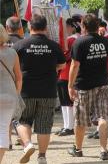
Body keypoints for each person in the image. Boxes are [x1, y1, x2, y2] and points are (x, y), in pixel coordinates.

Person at [13, 14, 66, 164]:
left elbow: (13, 66)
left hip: (25, 90)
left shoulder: (20, 45)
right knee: (44, 125)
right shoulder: (54, 45)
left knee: (23, 120)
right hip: (47, 91)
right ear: (46, 27)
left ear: (30, 27)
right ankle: (42, 157)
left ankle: (28, 144)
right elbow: (62, 64)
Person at [67, 14, 108, 161]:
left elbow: (74, 65)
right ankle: (103, 150)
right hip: (102, 84)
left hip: (83, 85)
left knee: (80, 120)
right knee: (102, 117)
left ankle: (78, 149)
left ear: (83, 26)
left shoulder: (79, 42)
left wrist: (70, 85)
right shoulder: (106, 41)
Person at [0, 24, 22, 163]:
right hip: (9, 95)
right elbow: (19, 77)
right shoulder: (12, 52)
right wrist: (16, 94)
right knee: (3, 130)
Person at [56, 18, 81, 137]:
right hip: (63, 72)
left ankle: (70, 126)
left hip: (67, 72)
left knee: (68, 102)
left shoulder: (72, 40)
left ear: (72, 27)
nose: (64, 29)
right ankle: (66, 125)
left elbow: (66, 55)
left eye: (66, 26)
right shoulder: (70, 39)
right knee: (63, 102)